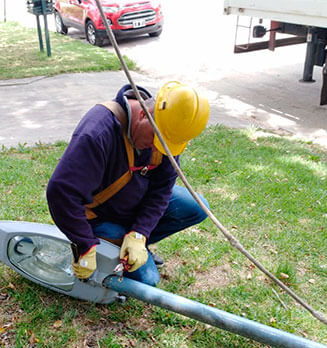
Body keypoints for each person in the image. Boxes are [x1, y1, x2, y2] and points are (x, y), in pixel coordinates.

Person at [47, 81, 211, 286]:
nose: (156, 148)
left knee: (197, 207)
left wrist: (139, 234)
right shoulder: (98, 131)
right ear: (143, 114)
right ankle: (109, 240)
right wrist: (84, 244)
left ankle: (131, 244)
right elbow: (61, 193)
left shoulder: (166, 130)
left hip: (131, 206)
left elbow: (162, 191)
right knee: (148, 280)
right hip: (99, 216)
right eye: (156, 140)